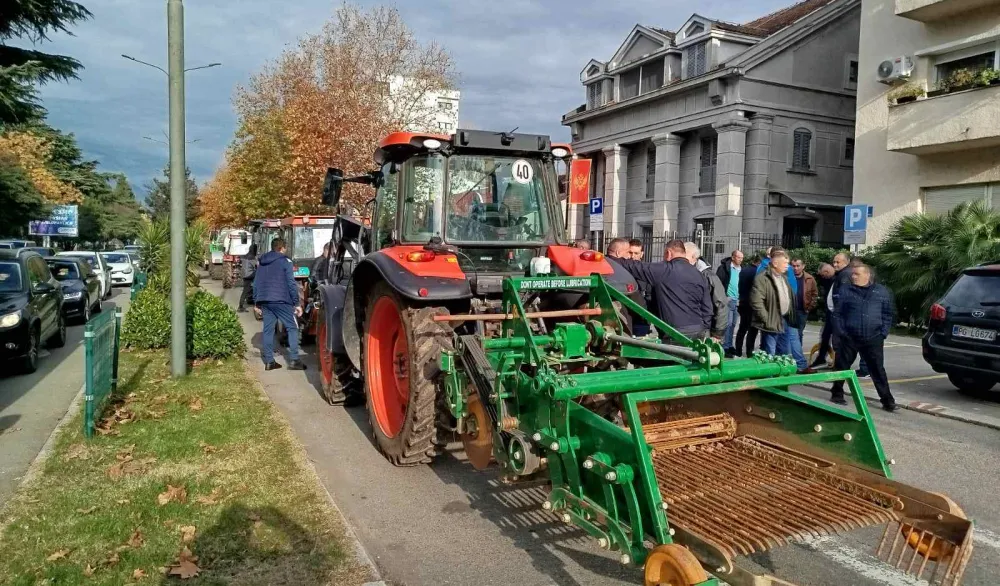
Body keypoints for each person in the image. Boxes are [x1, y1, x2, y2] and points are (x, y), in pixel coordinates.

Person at [828, 264, 897, 411]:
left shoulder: (881, 292)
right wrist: (841, 332)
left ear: (867, 275)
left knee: (877, 369)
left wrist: (883, 333)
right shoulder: (846, 290)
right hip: (850, 336)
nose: (853, 276)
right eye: (853, 274)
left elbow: (887, 314)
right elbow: (838, 314)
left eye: (856, 274)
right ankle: (837, 393)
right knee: (842, 367)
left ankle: (887, 400)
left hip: (873, 337)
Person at [611, 239, 712, 339]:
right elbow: (707, 307)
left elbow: (634, 266)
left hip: (675, 332)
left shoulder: (664, 270)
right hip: (698, 330)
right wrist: (705, 328)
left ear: (668, 253)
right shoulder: (699, 274)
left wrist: (610, 258)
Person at [254, 238, 306, 371]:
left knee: (268, 330)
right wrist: (297, 303)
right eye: (285, 248)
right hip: (281, 300)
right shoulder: (285, 262)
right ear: (282, 248)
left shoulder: (262, 262)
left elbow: (257, 282)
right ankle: (294, 360)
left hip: (265, 300)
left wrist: (257, 302)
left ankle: (269, 362)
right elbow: (291, 283)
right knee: (292, 327)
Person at [750, 248, 807, 370]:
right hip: (771, 320)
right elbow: (756, 301)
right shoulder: (762, 278)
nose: (788, 266)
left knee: (783, 351)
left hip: (785, 319)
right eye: (785, 263)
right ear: (775, 263)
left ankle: (780, 376)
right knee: (770, 351)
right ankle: (769, 379)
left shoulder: (784, 277)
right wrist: (766, 318)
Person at [685, 242, 728, 341]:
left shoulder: (708, 277)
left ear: (693, 257)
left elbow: (721, 304)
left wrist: (718, 333)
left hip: (704, 330)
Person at [607, 238, 650, 336]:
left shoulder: (605, 264)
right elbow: (637, 300)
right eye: (628, 252)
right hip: (627, 321)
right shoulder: (622, 269)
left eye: (635, 253)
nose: (630, 256)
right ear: (618, 253)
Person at [716, 250, 744, 356]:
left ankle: (730, 345)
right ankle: (725, 347)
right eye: (738, 257)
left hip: (737, 300)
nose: (740, 260)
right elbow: (719, 283)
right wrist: (724, 297)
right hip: (728, 299)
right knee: (727, 324)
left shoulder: (741, 269)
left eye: (742, 258)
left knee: (733, 324)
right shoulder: (724, 268)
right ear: (733, 257)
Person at [735, 255, 760, 356]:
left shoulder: (743, 270)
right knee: (752, 330)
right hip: (752, 304)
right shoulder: (757, 272)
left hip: (743, 302)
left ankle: (738, 351)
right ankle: (749, 352)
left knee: (742, 328)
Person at [790, 257, 818, 345]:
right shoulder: (787, 277)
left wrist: (809, 307)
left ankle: (798, 354)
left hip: (802, 310)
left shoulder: (810, 279)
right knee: (787, 333)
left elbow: (814, 294)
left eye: (798, 266)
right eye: (793, 266)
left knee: (799, 333)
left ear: (803, 266)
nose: (795, 268)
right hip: (789, 311)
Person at [237, 243, 258, 313]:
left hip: (244, 275)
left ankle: (249, 297)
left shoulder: (245, 256)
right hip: (250, 275)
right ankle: (240, 307)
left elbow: (240, 263)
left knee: (245, 290)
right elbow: (257, 265)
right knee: (246, 291)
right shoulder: (252, 258)